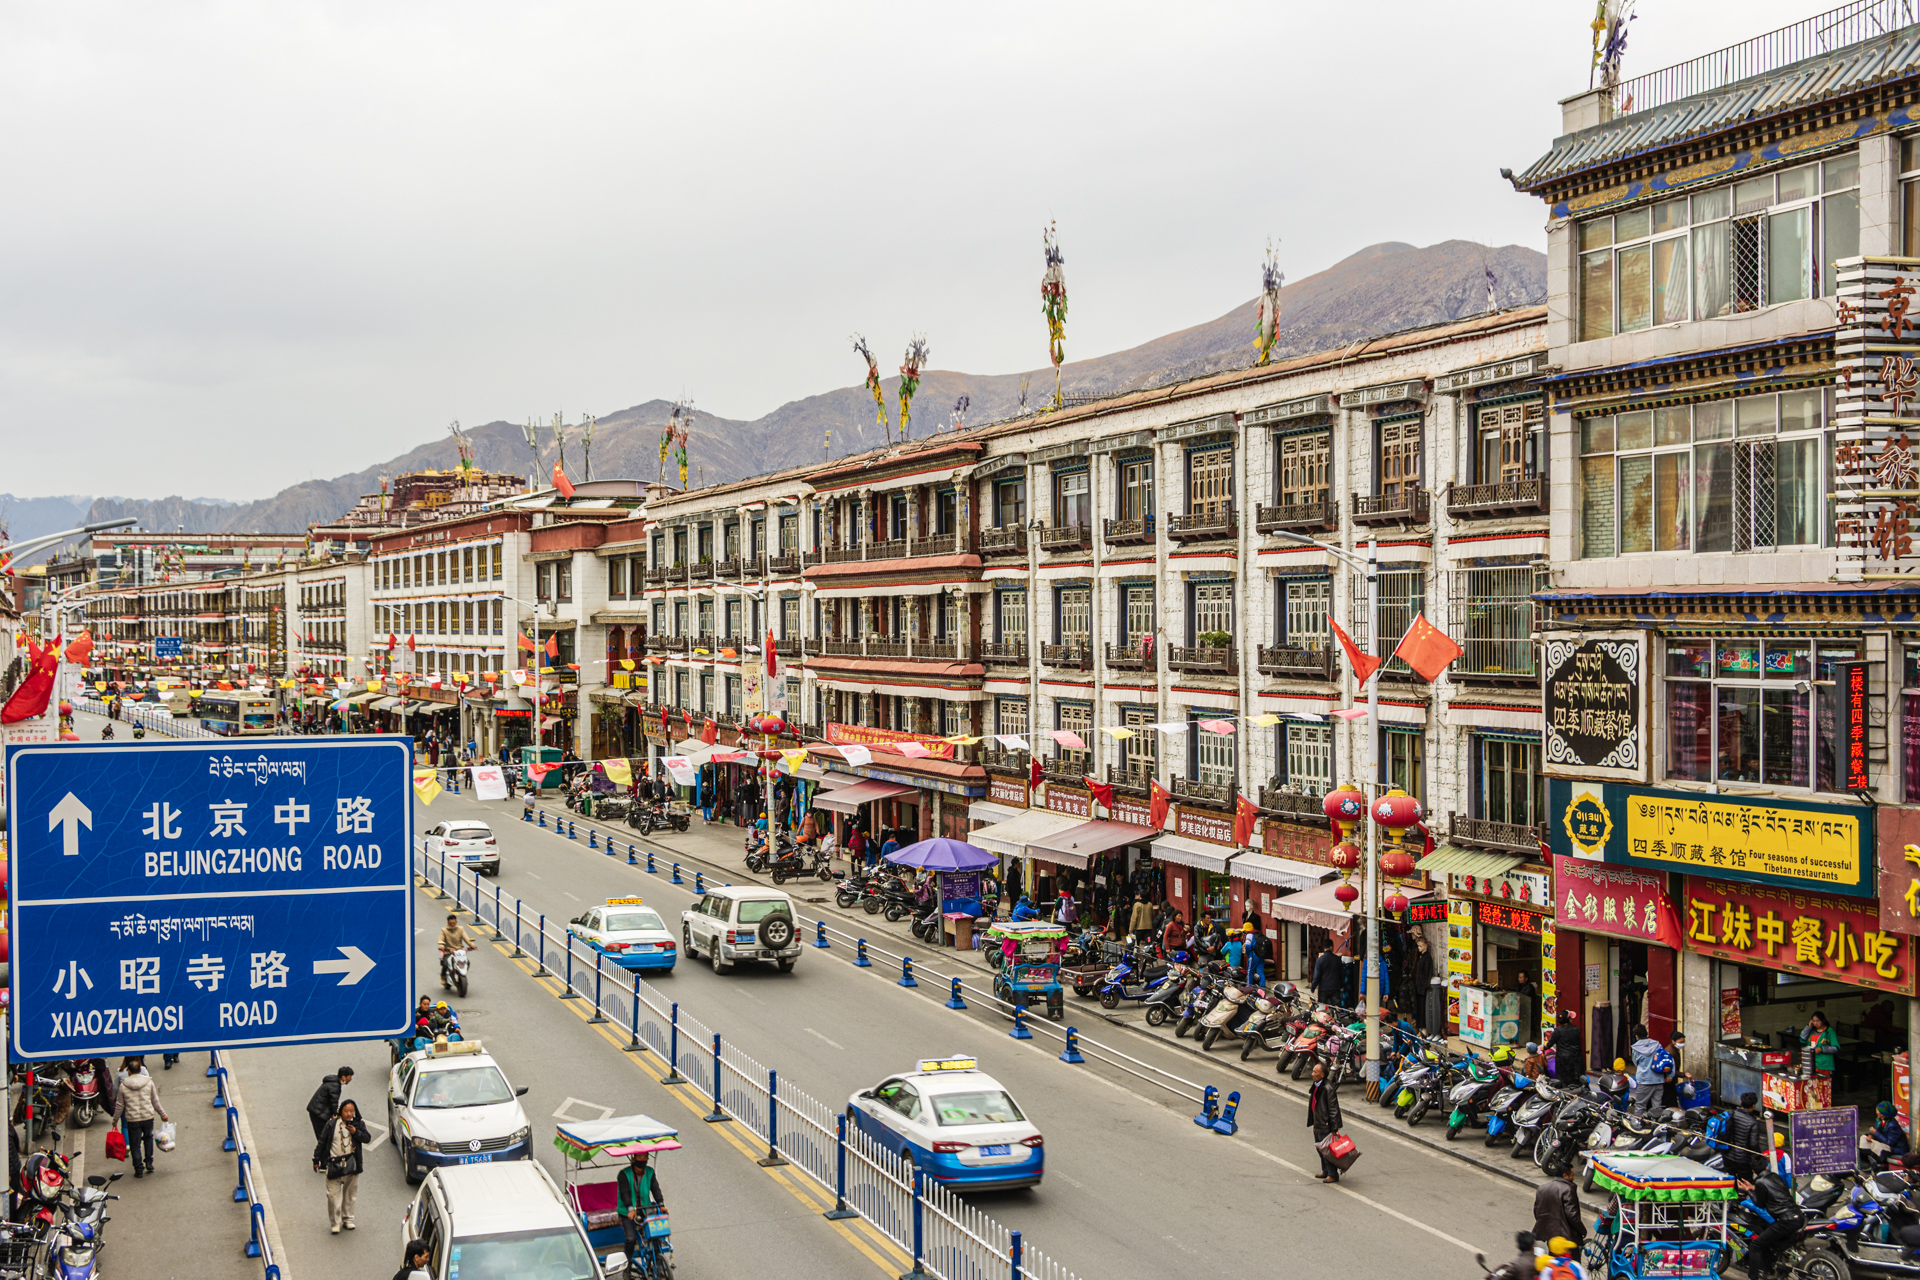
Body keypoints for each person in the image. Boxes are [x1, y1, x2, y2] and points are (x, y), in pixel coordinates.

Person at [313, 1098, 371, 1234]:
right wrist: (316, 1159)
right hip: (334, 1165)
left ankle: (348, 1219)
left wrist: (355, 1132)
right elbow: (322, 1142)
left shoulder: (358, 1124)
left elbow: (367, 1138)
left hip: (352, 1165)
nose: (349, 1114)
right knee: (333, 1197)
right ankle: (335, 1223)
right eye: (346, 1111)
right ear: (340, 1112)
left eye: (351, 1111)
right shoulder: (332, 1125)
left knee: (351, 1195)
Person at [1737, 1167, 1804, 1279]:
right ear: (1766, 1167)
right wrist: (1752, 1188)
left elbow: (1760, 1204)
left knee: (1755, 1246)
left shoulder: (1760, 1181)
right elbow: (1770, 1191)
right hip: (1798, 1216)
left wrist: (1747, 1190)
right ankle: (1772, 1269)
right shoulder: (1774, 1176)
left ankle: (1753, 1277)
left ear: (1753, 1171)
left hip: (1786, 1221)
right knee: (1769, 1241)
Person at [112, 1056, 166, 1179]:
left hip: (132, 1119)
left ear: (129, 1071)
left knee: (135, 1144)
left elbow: (119, 1105)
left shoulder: (123, 1085)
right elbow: (155, 1100)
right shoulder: (148, 1082)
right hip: (148, 1117)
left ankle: (139, 1169)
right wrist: (162, 1114)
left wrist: (115, 1119)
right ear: (140, 1070)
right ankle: (149, 1162)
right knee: (148, 1138)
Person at [617, 1145, 666, 1263]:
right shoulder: (624, 1174)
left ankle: (658, 1263)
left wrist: (661, 1204)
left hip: (646, 1209)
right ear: (634, 1158)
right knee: (631, 1239)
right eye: (640, 1156)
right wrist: (630, 1209)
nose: (643, 1159)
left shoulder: (650, 1172)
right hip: (627, 1211)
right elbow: (625, 1193)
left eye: (645, 1157)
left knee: (656, 1235)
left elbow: (655, 1189)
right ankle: (627, 1266)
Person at [1306, 1061, 1344, 1183]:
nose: (1312, 1074)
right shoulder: (1317, 1084)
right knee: (1319, 1148)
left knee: (1327, 1150)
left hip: (1325, 1124)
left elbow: (1333, 1109)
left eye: (1315, 1072)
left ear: (1322, 1075)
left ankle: (1333, 1174)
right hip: (1317, 1122)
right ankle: (1326, 1171)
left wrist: (1334, 1128)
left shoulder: (1328, 1088)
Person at [1627, 1024, 1674, 1117]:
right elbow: (1668, 1058)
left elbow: (1636, 1063)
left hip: (1644, 1081)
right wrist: (1670, 1075)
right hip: (1658, 1080)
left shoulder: (1635, 1048)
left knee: (1640, 1106)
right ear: (1646, 1033)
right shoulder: (1657, 1044)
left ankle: (1638, 1127)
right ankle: (1655, 1126)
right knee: (1657, 1107)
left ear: (1637, 1036)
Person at [1532, 1166, 1585, 1249]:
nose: (1573, 1178)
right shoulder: (1568, 1189)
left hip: (1543, 1235)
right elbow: (1572, 1215)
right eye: (1572, 1175)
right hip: (1562, 1238)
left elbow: (1536, 1211)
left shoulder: (1541, 1188)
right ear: (1565, 1176)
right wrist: (1582, 1230)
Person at [1722, 1092, 1767, 1179]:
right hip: (1743, 1160)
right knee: (1745, 1183)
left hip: (1727, 1155)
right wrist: (1759, 1157)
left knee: (1731, 1181)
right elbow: (1754, 1144)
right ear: (1753, 1106)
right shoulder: (1753, 1122)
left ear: (1740, 1102)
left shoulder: (1731, 1114)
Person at [306, 1067, 354, 1140]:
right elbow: (334, 1102)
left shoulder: (333, 1082)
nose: (350, 1079)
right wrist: (334, 1114)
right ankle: (322, 1150)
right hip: (318, 1113)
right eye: (350, 1077)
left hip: (317, 1110)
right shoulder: (335, 1086)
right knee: (323, 1136)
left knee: (323, 1135)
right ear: (344, 1077)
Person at [1549, 1011, 1584, 1088]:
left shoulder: (1557, 1031)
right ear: (1568, 1019)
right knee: (1576, 1080)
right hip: (1576, 1058)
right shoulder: (1576, 1029)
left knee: (1563, 1081)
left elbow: (1549, 1044)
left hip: (1562, 1060)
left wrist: (1543, 1047)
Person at [438, 912, 472, 987]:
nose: (453, 924)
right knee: (445, 964)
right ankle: (443, 977)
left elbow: (466, 939)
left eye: (454, 923)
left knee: (468, 962)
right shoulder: (444, 930)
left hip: (459, 951)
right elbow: (440, 940)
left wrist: (471, 945)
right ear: (448, 923)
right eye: (451, 923)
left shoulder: (461, 929)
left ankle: (463, 973)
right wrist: (441, 946)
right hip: (448, 951)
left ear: (456, 922)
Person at [1802, 1011, 1838, 1076]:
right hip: (1812, 1063)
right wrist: (1808, 1027)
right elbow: (1802, 1039)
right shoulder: (1812, 1031)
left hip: (1824, 1065)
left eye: (1818, 1021)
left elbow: (1835, 1048)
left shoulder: (1829, 1032)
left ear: (1823, 1020)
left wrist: (1821, 1049)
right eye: (1814, 1021)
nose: (1815, 1023)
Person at [1311, 940, 1344, 1010]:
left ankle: (1324, 1020)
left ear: (1324, 948)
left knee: (1322, 1009)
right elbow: (1342, 974)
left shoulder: (1319, 960)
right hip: (1335, 988)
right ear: (1331, 947)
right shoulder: (1337, 959)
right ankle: (1339, 1020)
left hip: (1323, 988)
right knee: (1338, 1009)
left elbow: (1316, 976)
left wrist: (1313, 987)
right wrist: (1341, 985)